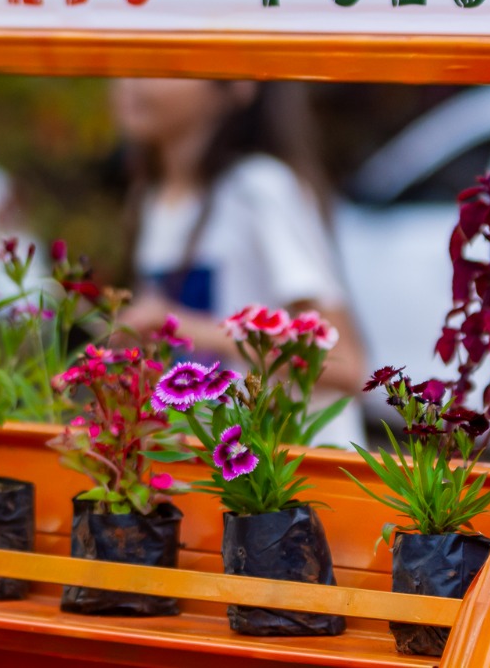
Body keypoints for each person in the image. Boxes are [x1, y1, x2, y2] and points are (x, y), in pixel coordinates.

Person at [109, 78, 367, 444]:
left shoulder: (259, 187)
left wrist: (176, 325)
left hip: (295, 479)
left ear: (238, 84)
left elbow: (346, 363)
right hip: (222, 474)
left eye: (166, 65)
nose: (131, 81)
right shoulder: (150, 198)